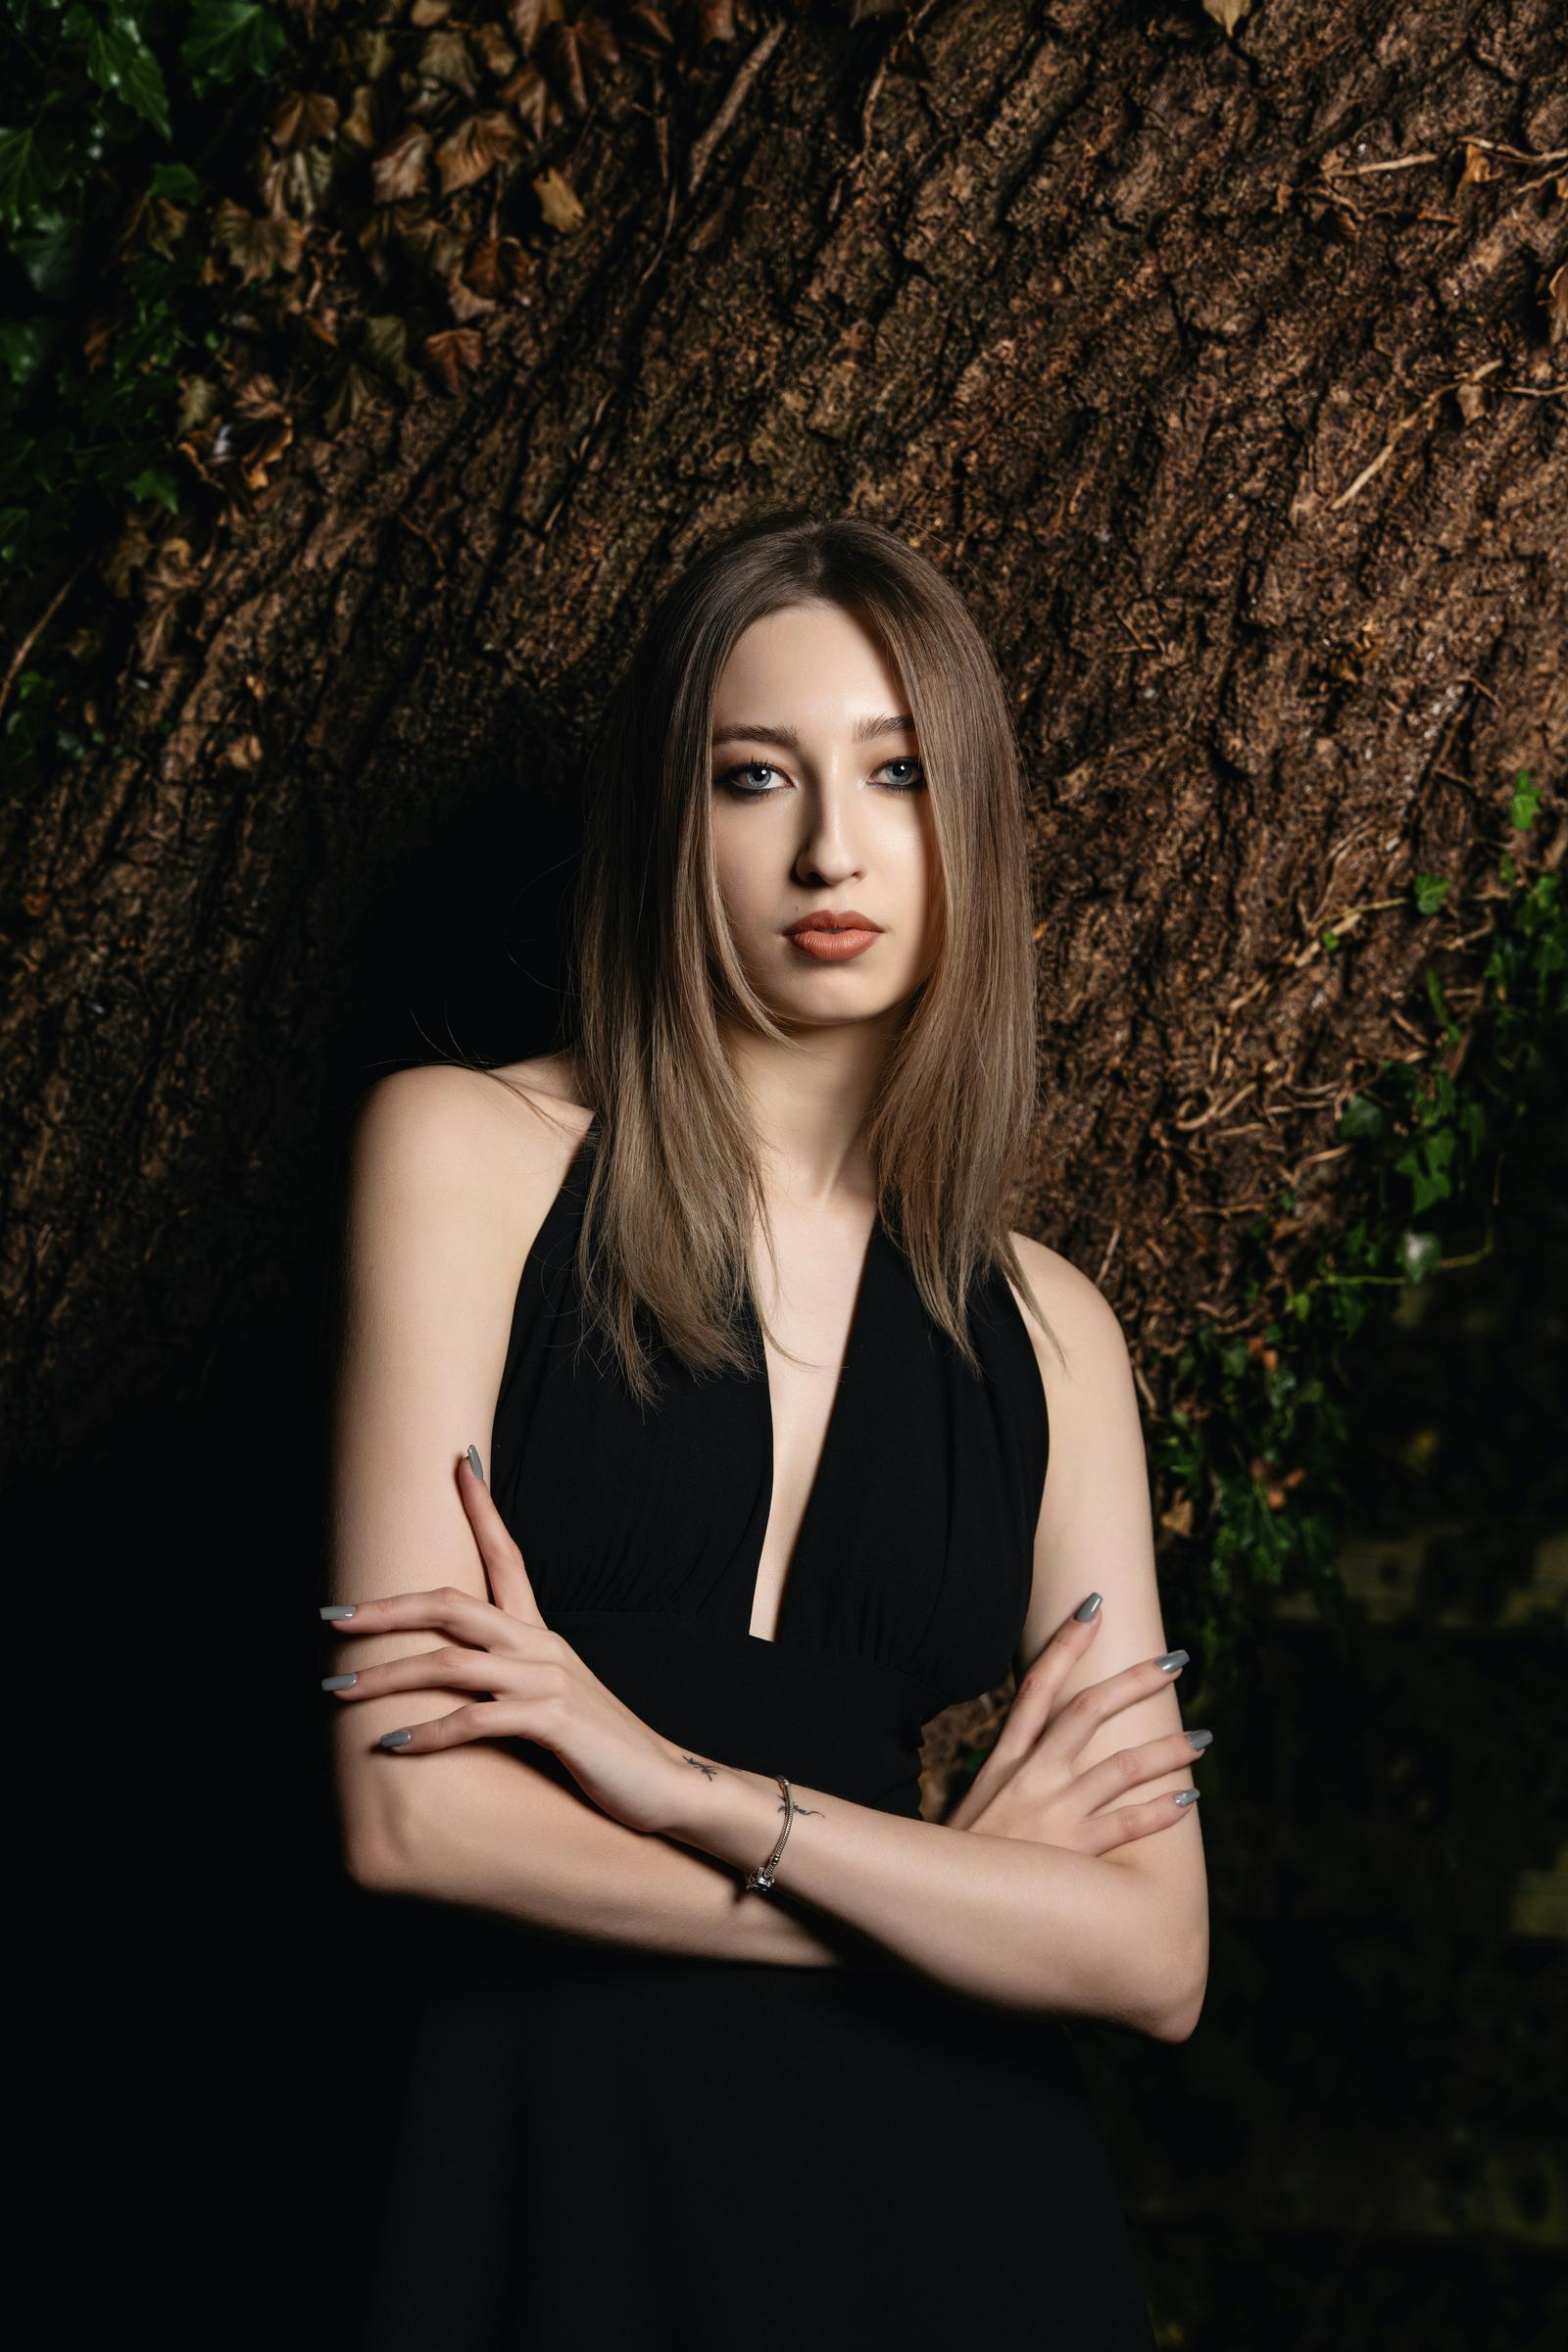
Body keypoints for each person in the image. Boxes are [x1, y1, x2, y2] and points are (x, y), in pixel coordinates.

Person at [322, 510, 1208, 2349]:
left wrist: (681, 1792)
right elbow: (413, 1816)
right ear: (673, 822)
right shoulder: (466, 1156)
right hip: (543, 2153)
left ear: (967, 827)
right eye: (754, 777)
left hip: (957, 2218)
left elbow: (1153, 1954)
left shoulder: (1054, 1331)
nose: (830, 845)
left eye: (896, 775)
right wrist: (949, 1895)